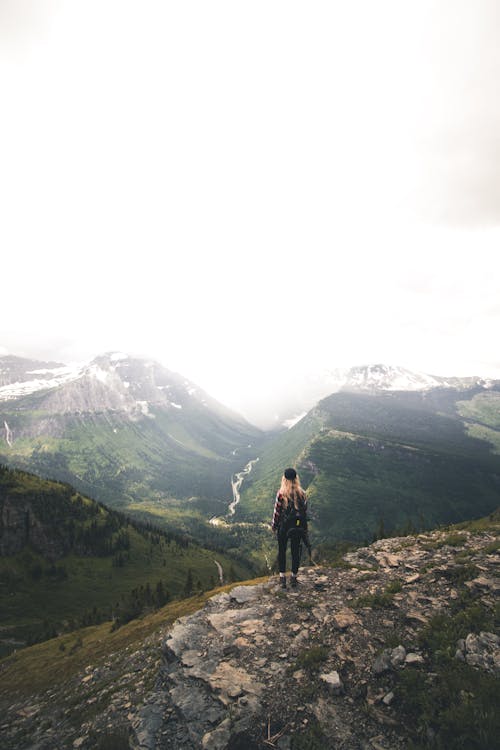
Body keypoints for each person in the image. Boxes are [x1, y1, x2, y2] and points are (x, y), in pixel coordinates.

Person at [271, 467, 308, 589]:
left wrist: (274, 526)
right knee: (295, 551)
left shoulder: (281, 494)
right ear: (296, 479)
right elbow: (304, 512)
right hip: (297, 527)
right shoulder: (302, 494)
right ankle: (293, 577)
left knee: (282, 551)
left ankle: (282, 578)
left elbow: (277, 513)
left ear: (284, 479)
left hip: (284, 527)